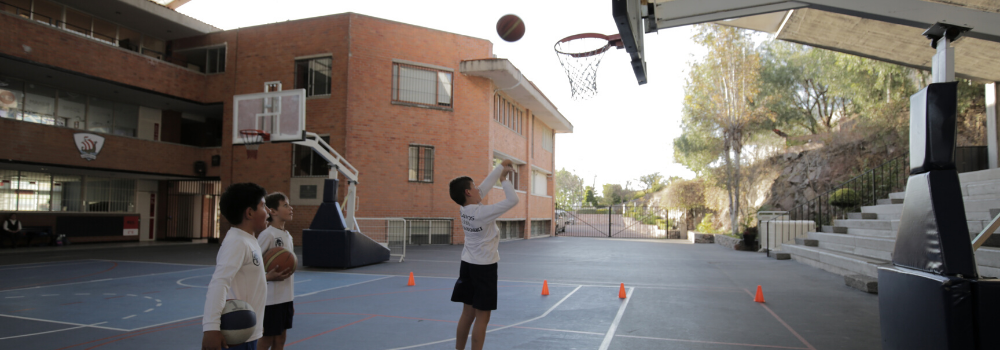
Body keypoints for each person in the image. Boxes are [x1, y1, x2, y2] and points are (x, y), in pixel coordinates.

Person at [202, 183, 292, 350]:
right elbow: (219, 283)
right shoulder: (237, 242)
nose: (268, 211)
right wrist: (211, 328)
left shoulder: (249, 240)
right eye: (263, 206)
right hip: (236, 334)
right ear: (249, 213)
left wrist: (258, 322)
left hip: (248, 330)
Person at [448, 159, 518, 350]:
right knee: (482, 318)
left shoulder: (464, 208)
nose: (479, 189)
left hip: (467, 264)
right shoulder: (482, 213)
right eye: (475, 187)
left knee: (467, 314)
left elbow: (484, 186)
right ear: (468, 192)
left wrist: (499, 168)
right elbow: (513, 200)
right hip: (484, 268)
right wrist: (504, 179)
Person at [257, 192, 296, 350]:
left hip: (285, 298)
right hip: (270, 300)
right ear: (272, 211)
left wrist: (290, 299)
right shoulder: (268, 235)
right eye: (285, 205)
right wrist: (267, 276)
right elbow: (253, 265)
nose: (290, 208)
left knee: (280, 340)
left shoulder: (288, 236)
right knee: (266, 340)